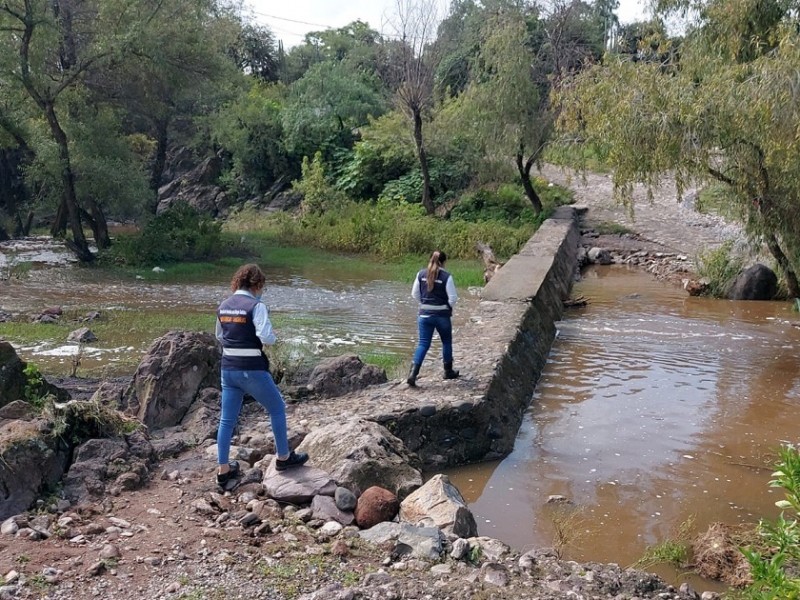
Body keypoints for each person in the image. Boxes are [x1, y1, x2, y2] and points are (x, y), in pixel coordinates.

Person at [215, 263, 308, 487]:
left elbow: (219, 336)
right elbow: (266, 337)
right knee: (277, 408)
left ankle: (223, 470)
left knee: (226, 419)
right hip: (252, 368)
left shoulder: (223, 305)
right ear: (257, 284)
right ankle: (284, 458)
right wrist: (273, 337)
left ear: (237, 281)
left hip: (228, 369)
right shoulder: (256, 306)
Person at [407, 250, 460, 387]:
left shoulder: (421, 274)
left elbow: (415, 294)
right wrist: (446, 307)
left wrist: (425, 304)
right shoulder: (446, 276)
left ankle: (412, 374)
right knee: (446, 342)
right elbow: (453, 298)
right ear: (444, 262)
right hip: (442, 315)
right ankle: (448, 371)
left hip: (424, 315)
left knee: (423, 343)